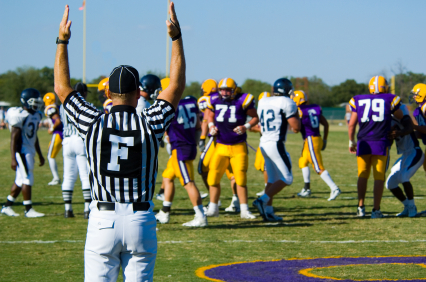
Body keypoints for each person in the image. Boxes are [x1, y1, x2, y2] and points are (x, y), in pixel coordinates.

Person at [54, 3, 184, 281]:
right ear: (139, 93)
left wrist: (62, 41)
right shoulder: (150, 121)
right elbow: (175, 86)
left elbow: (62, 89)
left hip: (102, 218)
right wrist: (176, 38)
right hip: (141, 218)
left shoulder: (92, 120)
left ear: (109, 93)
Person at [348, 75, 404, 218]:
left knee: (362, 174)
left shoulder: (358, 99)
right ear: (385, 87)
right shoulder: (390, 98)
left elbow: (352, 124)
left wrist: (351, 141)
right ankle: (376, 210)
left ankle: (360, 207)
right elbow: (400, 116)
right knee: (379, 176)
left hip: (363, 142)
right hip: (380, 142)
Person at [204, 77, 259, 219]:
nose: (224, 93)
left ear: (234, 90)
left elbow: (255, 117)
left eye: (228, 90)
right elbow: (209, 116)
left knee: (240, 179)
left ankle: (244, 210)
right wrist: (211, 127)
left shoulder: (243, 100)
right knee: (213, 178)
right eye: (222, 90)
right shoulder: (214, 100)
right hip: (221, 146)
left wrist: (245, 126)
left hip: (238, 147)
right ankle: (213, 208)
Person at [252, 78, 300, 221]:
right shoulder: (287, 102)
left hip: (264, 143)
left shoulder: (263, 101)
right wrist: (297, 116)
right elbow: (296, 128)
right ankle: (262, 200)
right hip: (275, 143)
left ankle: (268, 211)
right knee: (287, 178)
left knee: (272, 180)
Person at [155, 95, 207, 227]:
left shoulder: (170, 107)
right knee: (167, 177)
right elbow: (197, 126)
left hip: (180, 148)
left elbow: (162, 130)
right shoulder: (189, 103)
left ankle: (200, 216)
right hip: (186, 145)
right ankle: (164, 212)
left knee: (188, 182)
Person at [1, 88, 45, 217]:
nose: (37, 104)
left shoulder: (36, 115)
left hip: (29, 150)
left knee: (20, 180)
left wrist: (40, 154)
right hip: (22, 151)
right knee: (27, 179)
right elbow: (14, 138)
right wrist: (13, 158)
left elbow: (34, 137)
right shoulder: (20, 115)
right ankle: (28, 209)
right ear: (26, 102)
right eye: (34, 102)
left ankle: (7, 206)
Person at [291, 90, 341, 200]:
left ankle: (334, 188)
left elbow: (296, 129)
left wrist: (293, 127)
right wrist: (325, 139)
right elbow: (326, 124)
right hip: (316, 138)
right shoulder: (315, 108)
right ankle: (306, 189)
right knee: (303, 161)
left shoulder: (299, 110)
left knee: (318, 167)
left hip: (310, 140)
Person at [59, 82, 92, 219]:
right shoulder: (86, 106)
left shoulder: (63, 106)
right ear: (83, 93)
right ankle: (86, 209)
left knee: (68, 176)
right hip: (79, 140)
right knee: (85, 175)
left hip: (66, 141)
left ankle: (68, 209)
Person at [386, 104, 423, 217]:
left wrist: (399, 133)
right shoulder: (388, 121)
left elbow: (409, 128)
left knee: (403, 177)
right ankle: (407, 205)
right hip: (405, 155)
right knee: (390, 183)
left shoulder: (403, 116)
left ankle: (412, 206)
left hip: (414, 151)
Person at [250, 91, 271, 197]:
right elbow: (253, 127)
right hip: (266, 142)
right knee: (260, 165)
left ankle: (268, 188)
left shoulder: (264, 112)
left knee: (265, 166)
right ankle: (269, 186)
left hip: (268, 143)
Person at [43, 92, 63, 185]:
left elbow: (58, 121)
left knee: (50, 156)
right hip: (64, 133)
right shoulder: (58, 107)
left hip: (58, 133)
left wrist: (52, 128)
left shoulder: (51, 108)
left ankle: (56, 178)